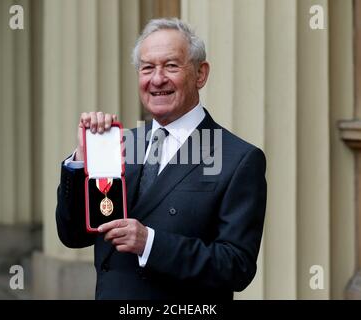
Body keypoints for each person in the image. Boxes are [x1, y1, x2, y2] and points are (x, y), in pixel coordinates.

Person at [56, 18, 267, 300]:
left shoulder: (239, 158)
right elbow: (74, 236)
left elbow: (236, 266)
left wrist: (150, 244)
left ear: (200, 74)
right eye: (147, 68)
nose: (157, 79)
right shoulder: (121, 144)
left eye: (171, 66)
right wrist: (82, 158)